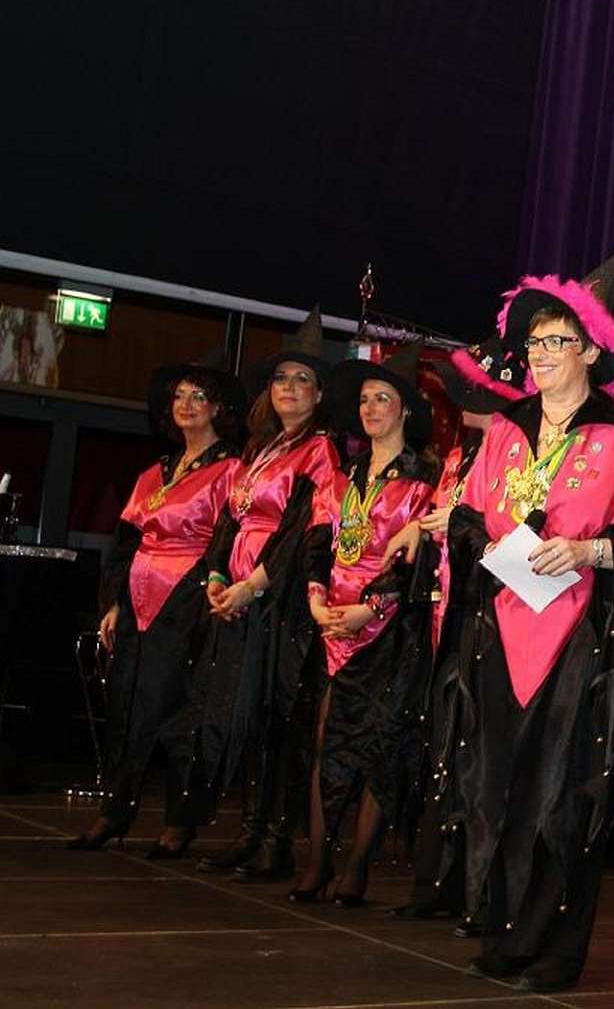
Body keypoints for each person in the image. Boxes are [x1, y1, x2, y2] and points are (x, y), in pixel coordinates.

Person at [446, 250, 614, 991]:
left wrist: (589, 550)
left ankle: (554, 950)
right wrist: (491, 548)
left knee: (565, 792)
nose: (541, 354)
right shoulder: (504, 431)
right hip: (503, 629)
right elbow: (464, 518)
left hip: (584, 641)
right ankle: (504, 934)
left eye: (557, 341)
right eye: (534, 342)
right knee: (499, 786)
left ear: (592, 353)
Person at [68, 354, 245, 856]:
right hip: (138, 598)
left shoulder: (231, 470)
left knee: (179, 710)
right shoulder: (155, 471)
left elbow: (229, 536)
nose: (186, 404)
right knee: (125, 704)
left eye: (198, 396)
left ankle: (180, 821)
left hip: (188, 597)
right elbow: (125, 541)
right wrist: (114, 603)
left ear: (217, 408)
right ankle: (114, 811)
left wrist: (210, 587)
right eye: (179, 396)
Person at [288, 344, 439, 904]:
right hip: (333, 623)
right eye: (365, 399)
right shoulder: (342, 476)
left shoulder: (426, 479)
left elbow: (418, 562)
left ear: (405, 410)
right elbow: (317, 544)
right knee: (325, 739)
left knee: (379, 744)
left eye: (383, 398)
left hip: (389, 628)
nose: (371, 408)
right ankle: (317, 861)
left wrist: (371, 608)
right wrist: (315, 598)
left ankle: (356, 868)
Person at [195, 307, 340, 883]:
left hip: (281, 602)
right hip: (240, 596)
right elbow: (229, 519)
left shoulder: (320, 451)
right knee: (248, 715)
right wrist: (215, 577)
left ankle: (277, 839)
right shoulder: (259, 449)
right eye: (281, 378)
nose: (289, 387)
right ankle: (250, 831)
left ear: (320, 394)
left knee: (282, 716)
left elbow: (303, 532)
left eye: (303, 379)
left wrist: (253, 586)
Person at [386, 346, 515, 931]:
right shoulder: (461, 456)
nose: (460, 400)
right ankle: (436, 880)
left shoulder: (512, 456)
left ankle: (474, 889)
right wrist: (425, 526)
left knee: (477, 752)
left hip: (489, 610)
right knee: (445, 746)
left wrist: (458, 524)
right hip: (449, 610)